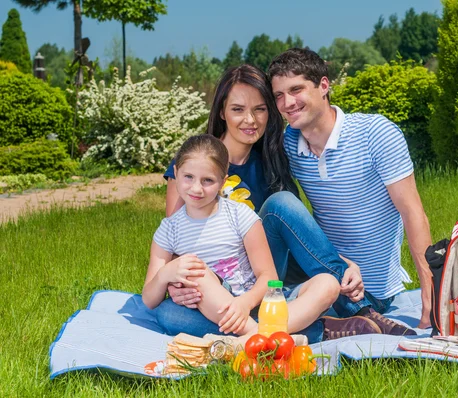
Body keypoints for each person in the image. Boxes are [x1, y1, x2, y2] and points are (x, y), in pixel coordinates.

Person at [158, 65, 393, 342]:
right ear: (222, 112)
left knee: (282, 202)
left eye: (260, 109)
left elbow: (294, 229)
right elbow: (174, 234)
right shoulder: (192, 165)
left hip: (262, 281)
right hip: (213, 288)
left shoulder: (272, 161)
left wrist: (343, 264)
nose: (250, 120)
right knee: (168, 315)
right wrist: (174, 283)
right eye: (237, 110)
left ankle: (357, 309)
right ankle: (311, 329)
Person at [267, 48, 433, 328]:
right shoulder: (288, 144)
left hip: (370, 291)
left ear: (323, 86)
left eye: (296, 89)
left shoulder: (374, 134)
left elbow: (413, 213)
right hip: (322, 278)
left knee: (280, 203)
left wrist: (430, 303)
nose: (287, 103)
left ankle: (357, 313)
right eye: (279, 95)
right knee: (278, 205)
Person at [143, 134, 341, 340]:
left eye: (208, 180)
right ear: (176, 173)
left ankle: (254, 338)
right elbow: (149, 299)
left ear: (222, 181)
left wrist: (245, 303)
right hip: (215, 311)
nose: (196, 188)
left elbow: (269, 277)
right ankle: (275, 335)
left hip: (256, 301)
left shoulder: (240, 215)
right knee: (170, 309)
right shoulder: (169, 230)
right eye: (188, 177)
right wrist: (166, 273)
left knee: (328, 284)